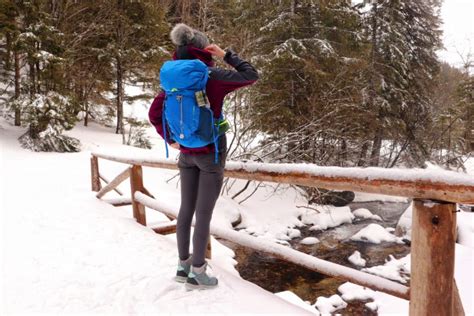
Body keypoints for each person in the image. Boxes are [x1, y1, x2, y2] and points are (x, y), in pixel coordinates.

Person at [148, 23, 258, 290]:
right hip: (210, 155)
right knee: (204, 214)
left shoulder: (172, 80)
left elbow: (153, 114)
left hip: (186, 155)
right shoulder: (211, 76)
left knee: (186, 211)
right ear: (203, 49)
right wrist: (226, 54)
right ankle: (199, 272)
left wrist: (170, 139)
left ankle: (182, 267)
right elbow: (251, 75)